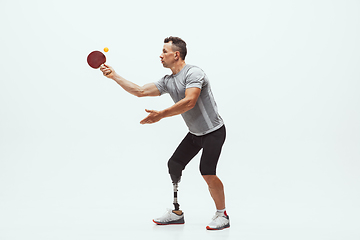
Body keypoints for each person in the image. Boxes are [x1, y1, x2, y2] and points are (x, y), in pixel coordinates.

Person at [100, 36, 229, 230]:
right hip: (195, 133)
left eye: (164, 52)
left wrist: (161, 114)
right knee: (174, 164)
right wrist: (114, 76)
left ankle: (222, 215)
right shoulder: (168, 81)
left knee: (207, 172)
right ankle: (177, 213)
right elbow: (140, 91)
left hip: (213, 132)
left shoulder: (194, 73)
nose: (160, 55)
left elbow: (189, 101)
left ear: (176, 55)